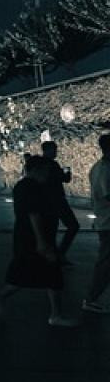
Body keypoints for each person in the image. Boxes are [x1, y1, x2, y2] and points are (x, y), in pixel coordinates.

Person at [0, 156, 77, 327]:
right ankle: (54, 315)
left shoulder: (27, 186)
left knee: (37, 274)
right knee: (41, 273)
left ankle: (54, 314)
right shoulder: (29, 187)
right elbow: (33, 214)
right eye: (46, 170)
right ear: (37, 169)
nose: (48, 174)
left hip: (31, 237)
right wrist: (41, 242)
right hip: (34, 238)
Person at [83, 134, 110, 314]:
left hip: (105, 221)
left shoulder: (97, 168)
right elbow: (108, 195)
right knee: (105, 263)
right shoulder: (105, 170)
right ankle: (91, 298)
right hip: (108, 222)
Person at [40, 141, 79, 265]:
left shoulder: (41, 164)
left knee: (51, 230)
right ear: (48, 150)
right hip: (57, 201)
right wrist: (67, 172)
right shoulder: (52, 164)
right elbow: (65, 179)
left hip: (47, 202)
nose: (56, 152)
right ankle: (58, 255)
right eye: (54, 150)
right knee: (72, 226)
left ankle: (53, 256)